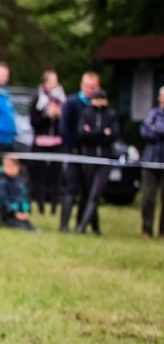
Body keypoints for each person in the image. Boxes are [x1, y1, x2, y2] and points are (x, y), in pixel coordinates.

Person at [58, 71, 102, 233]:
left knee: (87, 190)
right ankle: (64, 225)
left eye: (93, 87)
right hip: (74, 152)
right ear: (81, 86)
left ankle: (82, 225)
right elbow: (64, 128)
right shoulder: (71, 103)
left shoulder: (98, 106)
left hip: (90, 154)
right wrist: (72, 148)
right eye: (87, 86)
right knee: (70, 188)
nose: (90, 90)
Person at [72, 88, 119, 236]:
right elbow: (83, 134)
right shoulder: (87, 113)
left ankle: (82, 227)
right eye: (96, 99)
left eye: (101, 99)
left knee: (95, 193)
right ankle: (95, 228)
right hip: (89, 158)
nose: (98, 102)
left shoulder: (111, 115)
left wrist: (93, 133)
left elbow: (114, 135)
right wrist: (101, 132)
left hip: (105, 159)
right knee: (88, 192)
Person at [29, 70, 66, 213]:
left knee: (56, 176)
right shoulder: (38, 100)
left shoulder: (62, 100)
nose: (53, 85)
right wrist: (46, 115)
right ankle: (40, 206)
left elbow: (67, 124)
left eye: (55, 82)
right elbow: (33, 121)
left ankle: (55, 207)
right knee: (40, 177)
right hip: (40, 143)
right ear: (44, 83)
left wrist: (59, 116)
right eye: (50, 82)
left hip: (57, 143)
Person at [140, 85, 164, 238]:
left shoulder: (154, 120)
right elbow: (145, 132)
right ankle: (146, 229)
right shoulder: (153, 114)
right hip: (151, 160)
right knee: (148, 196)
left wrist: (157, 129)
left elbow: (153, 130)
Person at [0, 155, 35, 231]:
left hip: (21, 213)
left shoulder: (20, 182)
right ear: (3, 167)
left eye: (14, 166)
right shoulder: (2, 182)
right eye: (9, 166)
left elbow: (25, 197)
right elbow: (3, 201)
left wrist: (26, 211)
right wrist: (15, 213)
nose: (12, 169)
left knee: (29, 227)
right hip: (8, 215)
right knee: (22, 227)